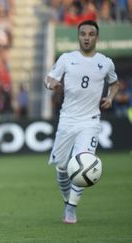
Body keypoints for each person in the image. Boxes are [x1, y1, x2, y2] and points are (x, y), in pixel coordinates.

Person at [45, 20, 119, 224]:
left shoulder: (106, 62)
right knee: (61, 168)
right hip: (67, 120)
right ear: (78, 36)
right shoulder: (67, 59)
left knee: (84, 163)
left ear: (97, 37)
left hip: (90, 121)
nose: (86, 37)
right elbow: (49, 79)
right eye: (83, 33)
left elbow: (114, 83)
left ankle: (71, 209)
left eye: (91, 34)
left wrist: (111, 97)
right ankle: (67, 201)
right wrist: (51, 84)